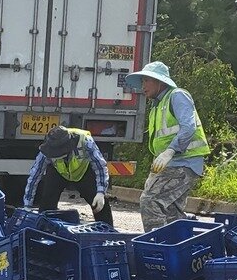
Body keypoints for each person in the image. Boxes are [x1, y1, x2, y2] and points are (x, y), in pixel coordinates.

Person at [124, 61, 211, 231]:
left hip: (183, 162)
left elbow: (189, 126)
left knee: (150, 201)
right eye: (142, 81)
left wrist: (171, 150)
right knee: (172, 213)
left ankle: (156, 244)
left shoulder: (177, 96)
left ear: (159, 81)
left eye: (146, 80)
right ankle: (178, 249)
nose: (143, 86)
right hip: (174, 164)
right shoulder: (158, 103)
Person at [23, 125, 113, 226]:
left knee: (100, 204)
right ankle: (45, 229)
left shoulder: (85, 142)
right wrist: (27, 206)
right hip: (58, 172)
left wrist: (101, 192)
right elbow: (34, 177)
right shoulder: (47, 150)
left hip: (83, 172)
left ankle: (108, 233)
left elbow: (100, 167)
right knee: (47, 201)